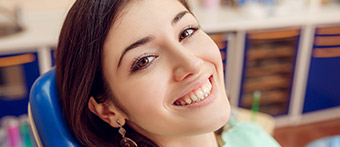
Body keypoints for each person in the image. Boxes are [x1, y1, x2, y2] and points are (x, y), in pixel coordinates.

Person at [56, 0, 230, 146]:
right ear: (107, 110)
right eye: (144, 60)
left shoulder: (248, 136)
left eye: (187, 32)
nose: (192, 64)